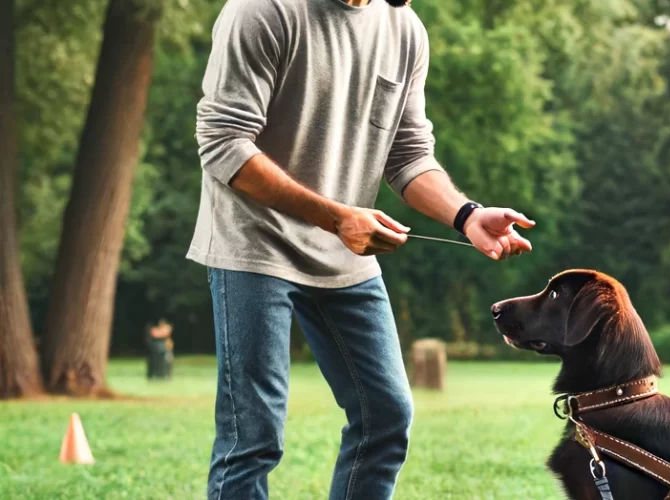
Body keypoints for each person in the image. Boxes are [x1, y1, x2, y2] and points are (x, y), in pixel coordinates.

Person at [186, 0, 535, 499]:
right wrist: (336, 217)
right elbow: (223, 141)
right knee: (253, 437)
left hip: (346, 256)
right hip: (254, 245)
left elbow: (409, 152)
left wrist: (467, 215)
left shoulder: (405, 29)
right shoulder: (263, 10)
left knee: (386, 415)